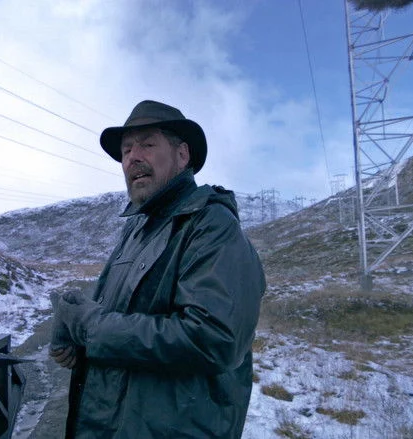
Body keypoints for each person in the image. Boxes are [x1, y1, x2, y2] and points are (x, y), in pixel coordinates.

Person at [49, 99, 266, 438]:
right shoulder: (135, 229)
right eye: (126, 151)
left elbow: (214, 339)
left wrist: (92, 328)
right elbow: (116, 314)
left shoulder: (211, 224)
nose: (132, 157)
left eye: (147, 145)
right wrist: (75, 329)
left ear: (182, 155)